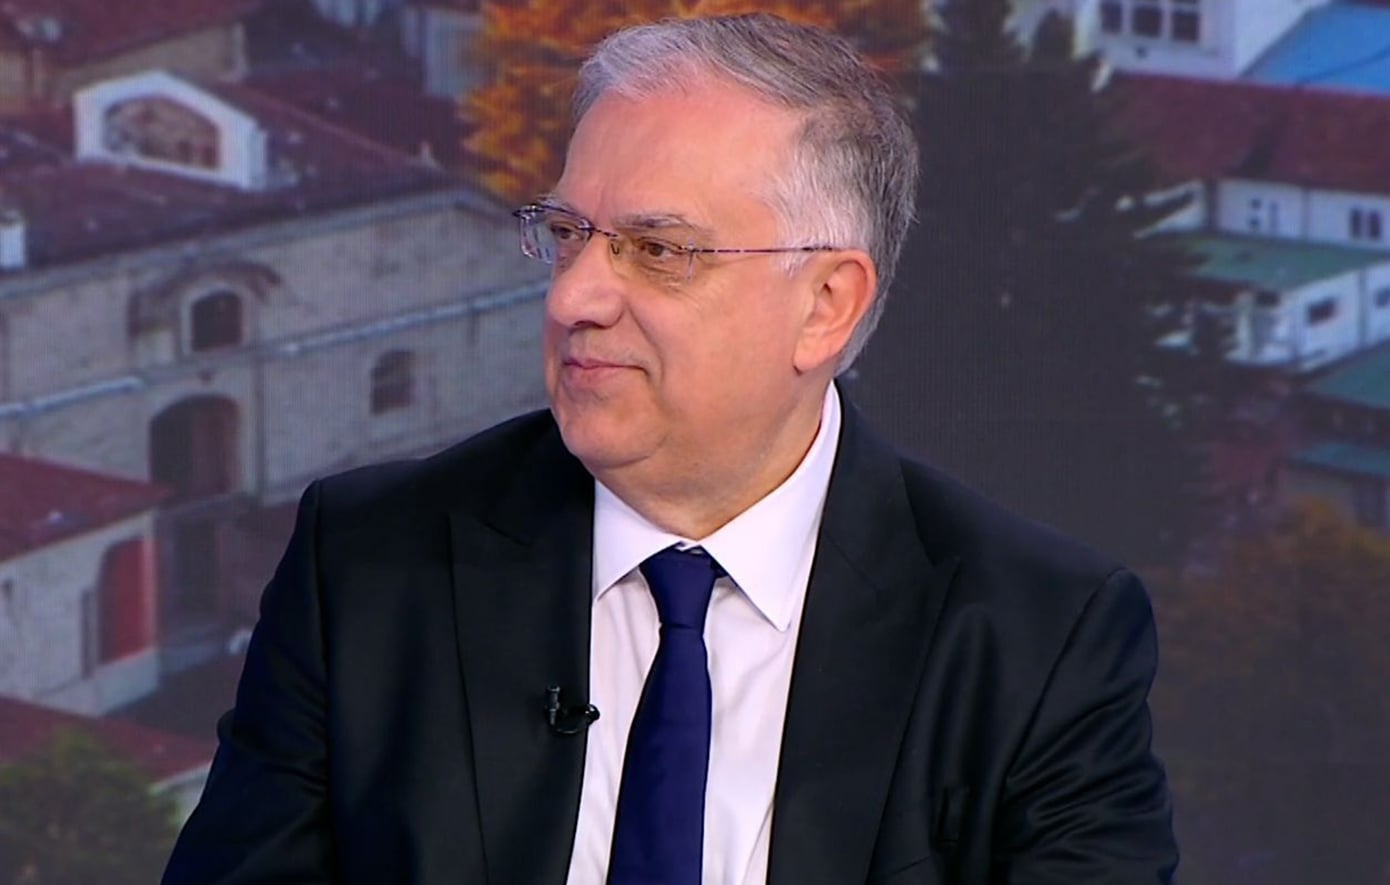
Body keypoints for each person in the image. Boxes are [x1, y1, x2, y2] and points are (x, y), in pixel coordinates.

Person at [162, 13, 1177, 885]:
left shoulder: (1040, 641)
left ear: (826, 305)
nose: (574, 297)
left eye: (657, 250)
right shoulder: (369, 566)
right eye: (568, 234)